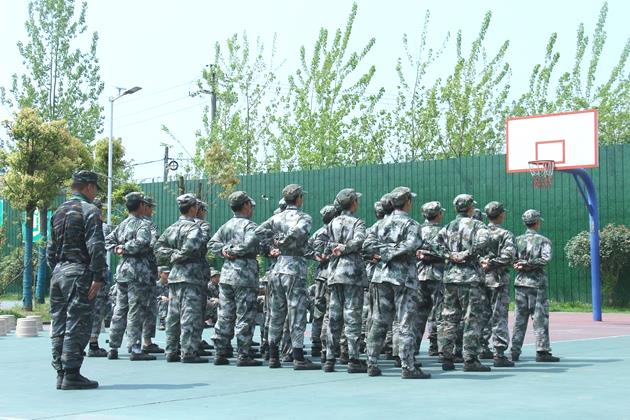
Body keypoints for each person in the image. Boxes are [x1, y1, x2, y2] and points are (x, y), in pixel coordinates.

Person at [363, 187, 431, 379]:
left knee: (378, 320)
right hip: (403, 277)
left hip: (381, 276)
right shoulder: (412, 224)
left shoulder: (379, 224)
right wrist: (392, 251)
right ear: (407, 202)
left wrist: (384, 251)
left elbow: (368, 246)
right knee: (405, 322)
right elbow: (412, 245)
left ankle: (371, 363)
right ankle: (408, 366)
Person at [47, 170, 106, 390]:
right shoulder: (90, 210)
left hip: (59, 273)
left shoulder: (58, 211)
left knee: (59, 323)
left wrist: (58, 270)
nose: (95, 193)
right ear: (89, 187)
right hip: (79, 273)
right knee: (77, 322)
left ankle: (61, 373)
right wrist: (98, 276)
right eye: (95, 189)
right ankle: (72, 373)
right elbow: (96, 246)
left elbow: (50, 249)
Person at [254, 184, 320, 370]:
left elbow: (258, 232)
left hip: (278, 268)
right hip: (294, 268)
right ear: (298, 198)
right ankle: (298, 357)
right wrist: (284, 241)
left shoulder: (276, 218)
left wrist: (274, 243)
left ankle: (273, 356)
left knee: (277, 313)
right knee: (297, 312)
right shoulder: (304, 218)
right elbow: (299, 233)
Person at [436, 194, 490, 372]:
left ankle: (446, 357)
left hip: (451, 277)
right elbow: (483, 243)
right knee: (472, 318)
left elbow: (435, 245)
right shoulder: (478, 225)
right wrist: (465, 254)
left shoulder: (447, 226)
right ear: (471, 207)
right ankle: (470, 359)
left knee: (449, 318)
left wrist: (450, 255)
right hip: (470, 278)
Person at [208, 191, 262, 367]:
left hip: (226, 275)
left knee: (225, 314)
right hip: (244, 276)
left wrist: (225, 250)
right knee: (245, 315)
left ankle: (220, 352)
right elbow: (250, 244)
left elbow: (212, 244)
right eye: (250, 205)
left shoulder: (226, 226)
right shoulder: (250, 226)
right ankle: (243, 354)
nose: (252, 209)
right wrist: (233, 251)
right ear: (245, 205)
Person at [155, 194, 208, 363]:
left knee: (173, 316)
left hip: (175, 276)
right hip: (191, 276)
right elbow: (190, 249)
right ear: (193, 208)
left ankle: (171, 351)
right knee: (189, 315)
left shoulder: (172, 227)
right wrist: (176, 255)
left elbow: (159, 247)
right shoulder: (194, 228)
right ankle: (188, 352)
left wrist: (171, 254)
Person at [106, 192, 157, 362]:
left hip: (122, 271)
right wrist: (125, 248)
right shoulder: (143, 225)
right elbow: (142, 243)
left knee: (120, 309)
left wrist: (118, 248)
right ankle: (134, 347)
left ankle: (113, 347)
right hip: (138, 273)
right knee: (135, 310)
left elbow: (108, 241)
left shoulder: (122, 224)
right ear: (141, 205)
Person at [323, 189, 367, 374]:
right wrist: (345, 247)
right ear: (353, 203)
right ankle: (353, 359)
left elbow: (322, 244)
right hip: (352, 274)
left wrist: (335, 247)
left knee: (334, 317)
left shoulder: (331, 223)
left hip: (334, 273)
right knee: (352, 316)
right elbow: (360, 241)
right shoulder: (358, 222)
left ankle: (329, 359)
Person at [510, 210, 560, 363]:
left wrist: (521, 264)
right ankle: (542, 351)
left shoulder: (516, 240)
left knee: (519, 317)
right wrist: (530, 264)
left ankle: (515, 351)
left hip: (520, 283)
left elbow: (511, 259)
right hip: (537, 284)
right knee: (539, 317)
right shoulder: (544, 241)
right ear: (537, 222)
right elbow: (545, 259)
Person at [479, 202, 516, 368]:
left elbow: (472, 253)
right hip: (498, 280)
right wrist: (492, 263)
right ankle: (499, 354)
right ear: (501, 215)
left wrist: (482, 262)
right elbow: (509, 256)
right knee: (499, 316)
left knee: (480, 315)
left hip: (479, 279)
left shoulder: (479, 232)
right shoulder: (506, 234)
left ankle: (481, 347)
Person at [414, 201, 445, 359]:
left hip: (419, 275)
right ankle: (437, 347)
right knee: (440, 313)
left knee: (419, 313)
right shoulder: (443, 231)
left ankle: (414, 347)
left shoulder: (416, 230)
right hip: (438, 275)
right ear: (438, 214)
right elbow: (447, 253)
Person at [308, 204, 338, 359]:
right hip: (333, 273)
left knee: (319, 310)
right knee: (331, 311)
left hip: (321, 275)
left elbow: (307, 248)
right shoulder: (336, 231)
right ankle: (328, 344)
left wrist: (316, 257)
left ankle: (316, 343)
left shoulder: (318, 233)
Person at [86, 198, 111, 358]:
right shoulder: (103, 227)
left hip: (79, 271)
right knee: (97, 308)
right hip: (98, 270)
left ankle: (75, 345)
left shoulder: (79, 225)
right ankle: (93, 344)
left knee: (78, 309)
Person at [140, 196, 164, 355]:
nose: (151, 210)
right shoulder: (149, 225)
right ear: (144, 207)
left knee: (127, 308)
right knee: (148, 307)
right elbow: (154, 244)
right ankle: (146, 342)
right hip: (146, 270)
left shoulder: (125, 223)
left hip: (127, 271)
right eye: (150, 207)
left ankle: (119, 346)